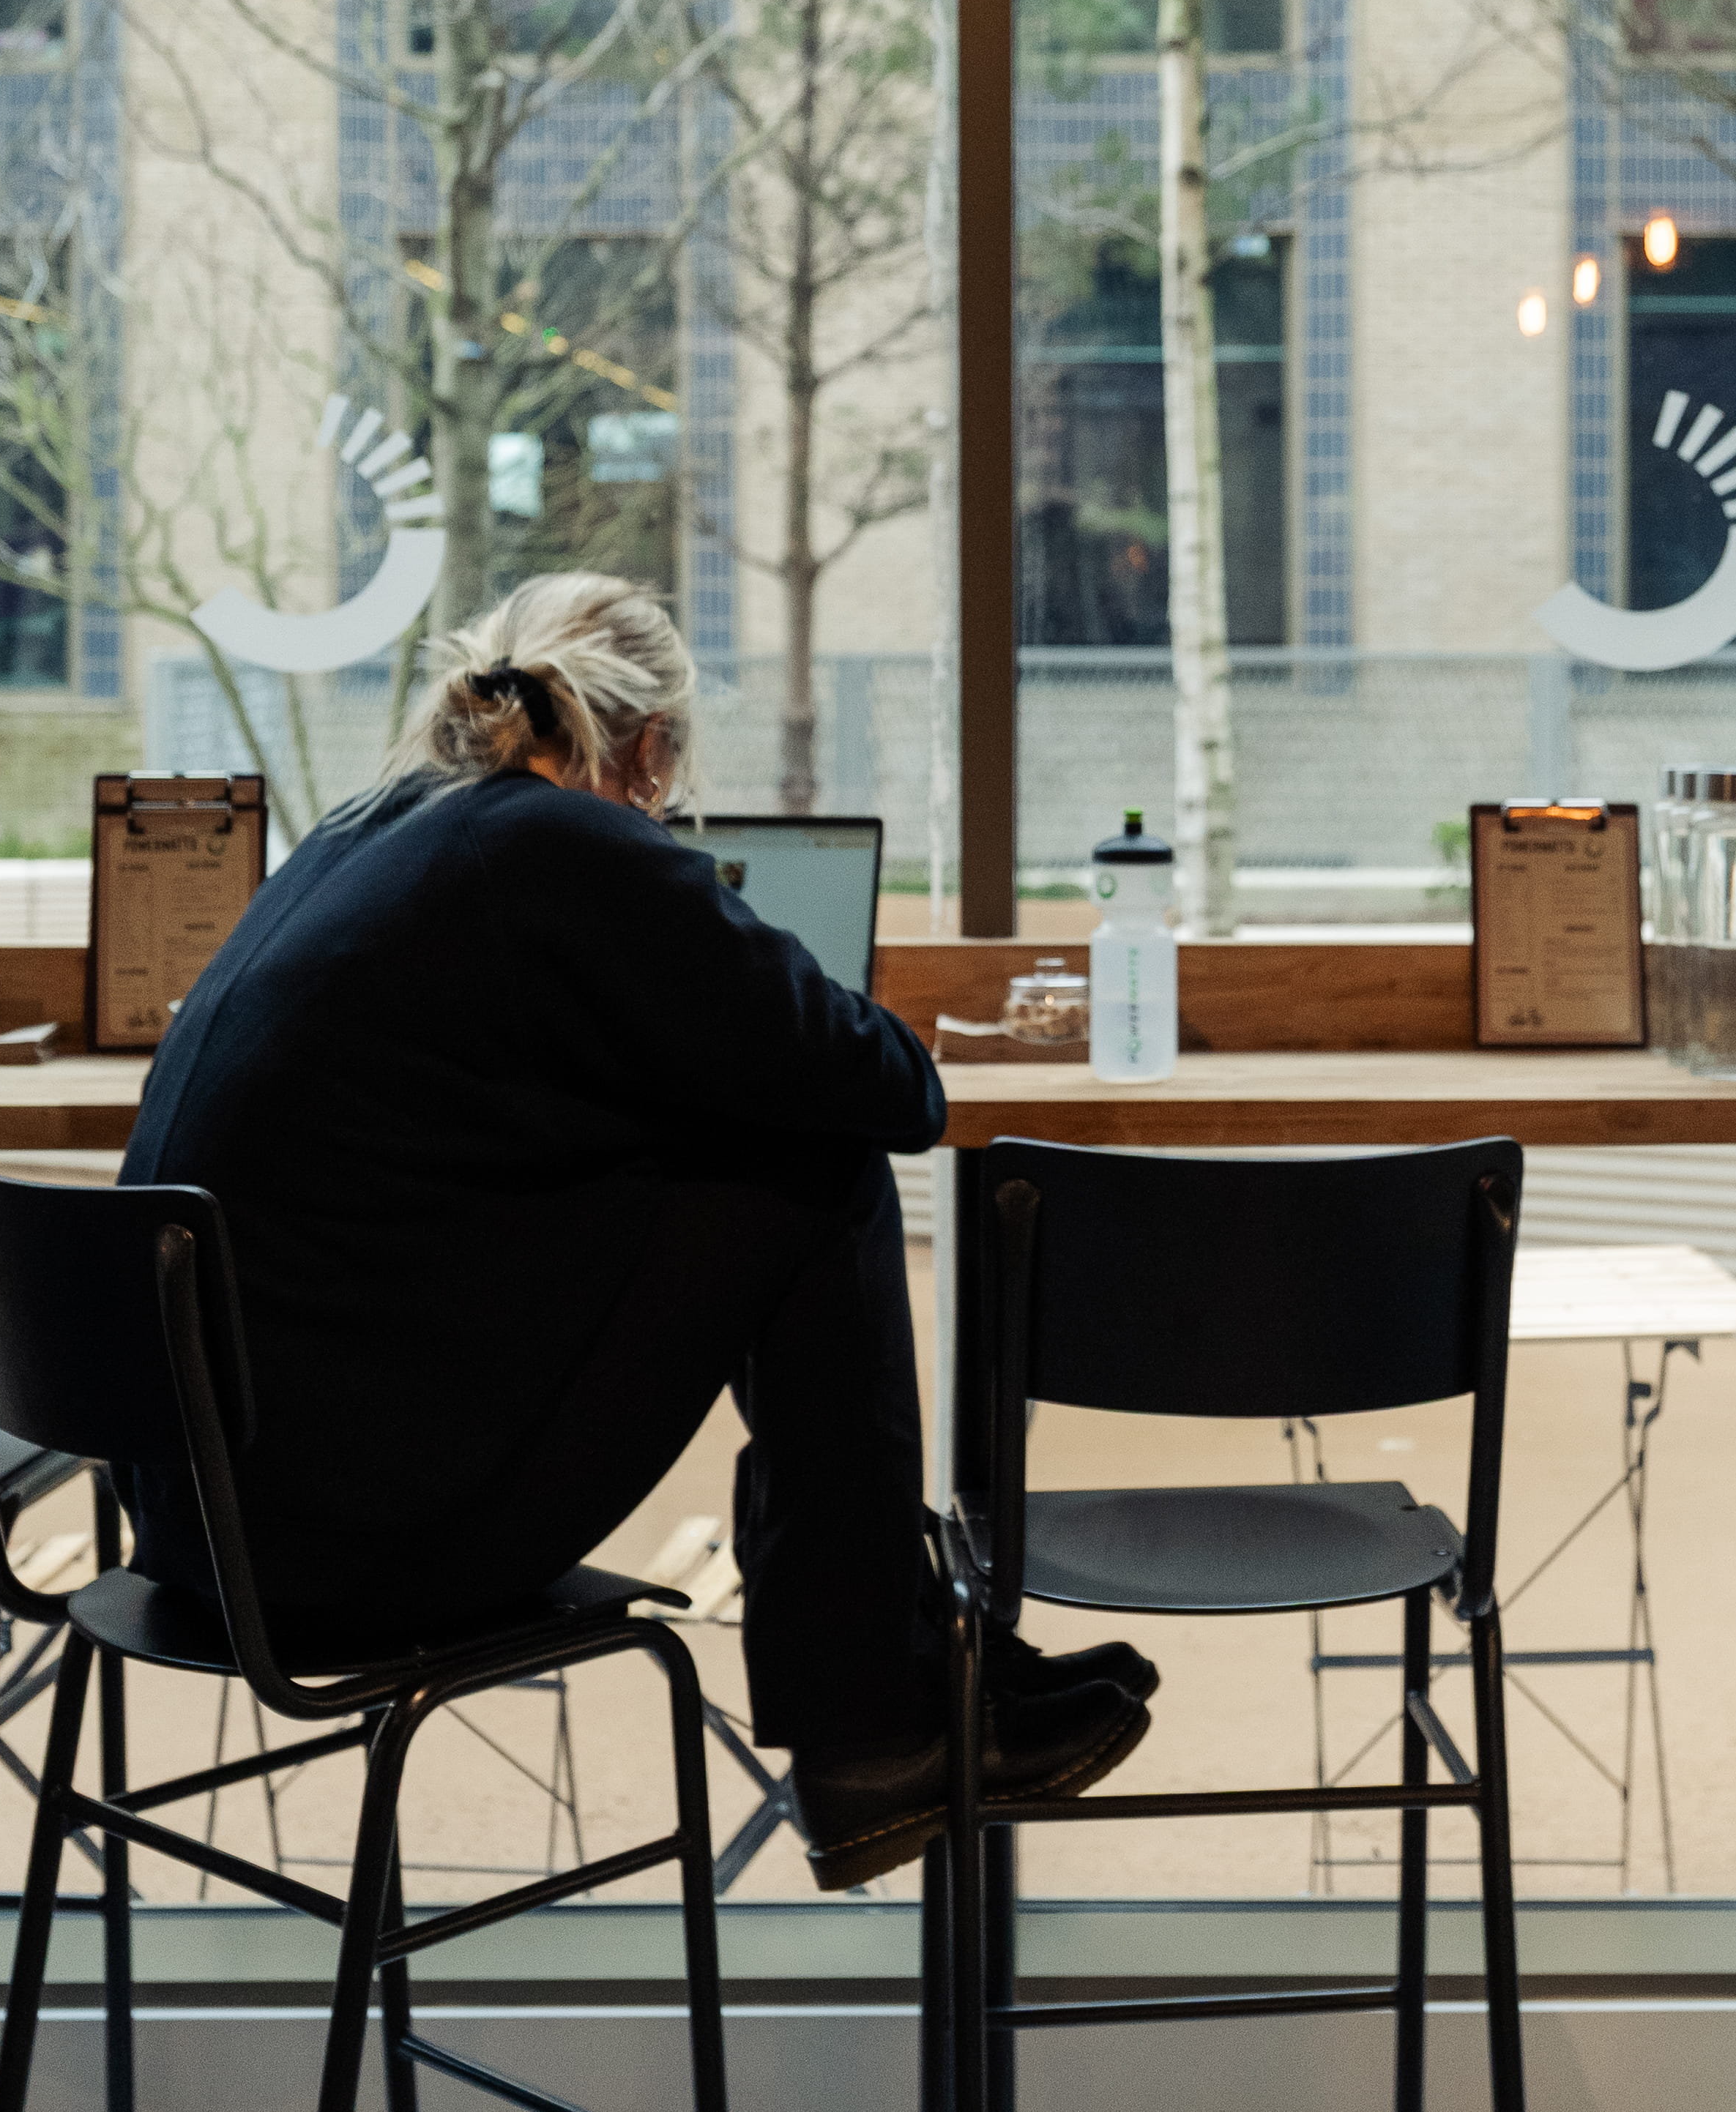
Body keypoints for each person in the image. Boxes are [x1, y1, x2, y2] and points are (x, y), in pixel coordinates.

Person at [117, 571, 1155, 1888]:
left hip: (190, 1514)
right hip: (335, 1546)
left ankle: (902, 1669)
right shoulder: (564, 846)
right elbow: (892, 1085)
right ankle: (877, 1721)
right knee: (816, 1165)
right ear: (652, 748)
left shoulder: (369, 827)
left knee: (774, 1149)